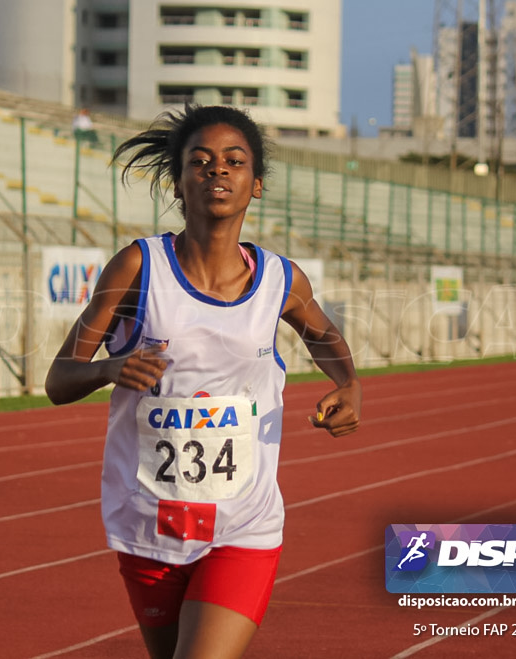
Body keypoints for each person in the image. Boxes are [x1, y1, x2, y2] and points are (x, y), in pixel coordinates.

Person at [45, 104, 361, 659]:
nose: (218, 171)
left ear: (255, 184)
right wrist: (107, 368)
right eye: (201, 161)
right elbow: (58, 378)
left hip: (244, 525)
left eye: (234, 161)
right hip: (150, 524)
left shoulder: (280, 281)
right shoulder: (138, 268)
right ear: (178, 181)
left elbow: (325, 336)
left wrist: (348, 384)